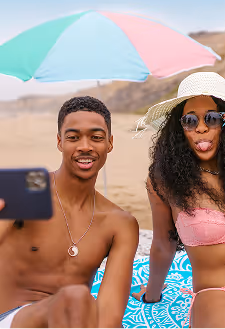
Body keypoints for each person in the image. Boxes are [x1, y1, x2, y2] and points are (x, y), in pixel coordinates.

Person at [132, 72, 225, 329]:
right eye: (190, 121)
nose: (201, 127)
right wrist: (151, 293)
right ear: (179, 129)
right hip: (220, 296)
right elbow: (163, 244)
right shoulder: (165, 180)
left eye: (211, 118)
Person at [0, 96, 139, 329]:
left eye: (96, 138)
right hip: (11, 319)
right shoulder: (27, 190)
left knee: (80, 304)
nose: (85, 146)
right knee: (74, 298)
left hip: (75, 320)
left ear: (110, 143)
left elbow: (109, 316)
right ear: (59, 142)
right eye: (73, 138)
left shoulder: (120, 224)